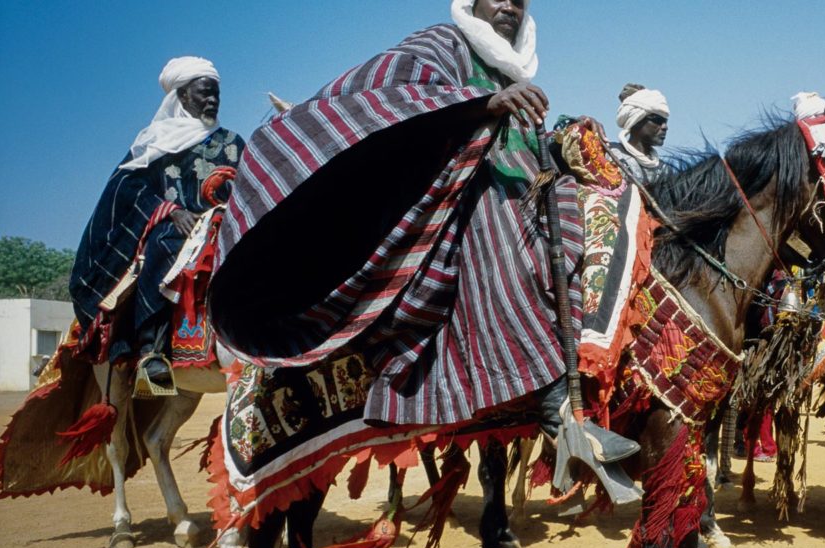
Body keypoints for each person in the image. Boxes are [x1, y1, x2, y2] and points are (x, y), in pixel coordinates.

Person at [211, 0, 636, 483]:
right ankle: (556, 408)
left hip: (518, 189)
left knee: (582, 207)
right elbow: (387, 94)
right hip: (449, 198)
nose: (508, 7)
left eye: (518, 0)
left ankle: (593, 382)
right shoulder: (444, 44)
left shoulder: (512, 69)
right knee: (494, 224)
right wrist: (481, 106)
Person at [70, 56, 242, 385]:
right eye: (205, 92)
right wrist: (169, 210)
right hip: (180, 226)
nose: (212, 100)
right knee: (166, 242)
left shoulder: (232, 142)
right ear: (180, 96)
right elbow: (126, 188)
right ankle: (153, 347)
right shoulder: (156, 143)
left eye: (216, 93)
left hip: (228, 222)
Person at [610, 84, 670, 186]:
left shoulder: (664, 170)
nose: (665, 127)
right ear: (636, 121)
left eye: (665, 122)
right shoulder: (610, 154)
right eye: (657, 120)